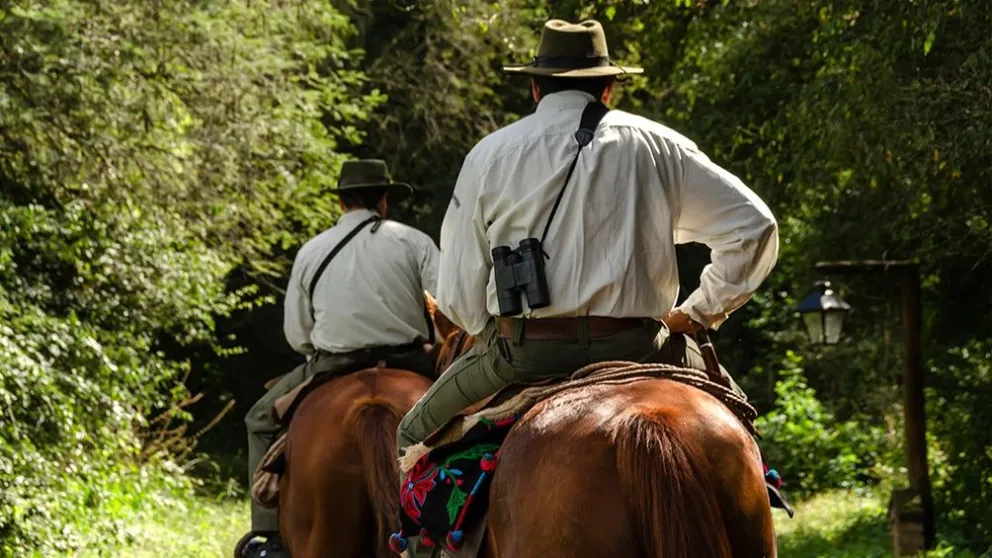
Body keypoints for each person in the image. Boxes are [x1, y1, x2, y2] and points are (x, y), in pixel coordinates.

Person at [396, 19, 779, 454]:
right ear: (608, 89)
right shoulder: (659, 144)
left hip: (527, 352)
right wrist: (698, 313)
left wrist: (498, 332)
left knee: (409, 436)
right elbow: (754, 227)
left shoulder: (488, 154)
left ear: (535, 88)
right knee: (740, 427)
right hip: (641, 347)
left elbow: (458, 294)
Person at [241, 160, 440, 558]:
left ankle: (268, 538)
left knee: (259, 419)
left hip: (332, 364)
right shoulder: (414, 242)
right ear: (383, 199)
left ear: (341, 202)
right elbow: (448, 308)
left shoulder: (312, 251)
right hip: (412, 363)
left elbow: (298, 334)